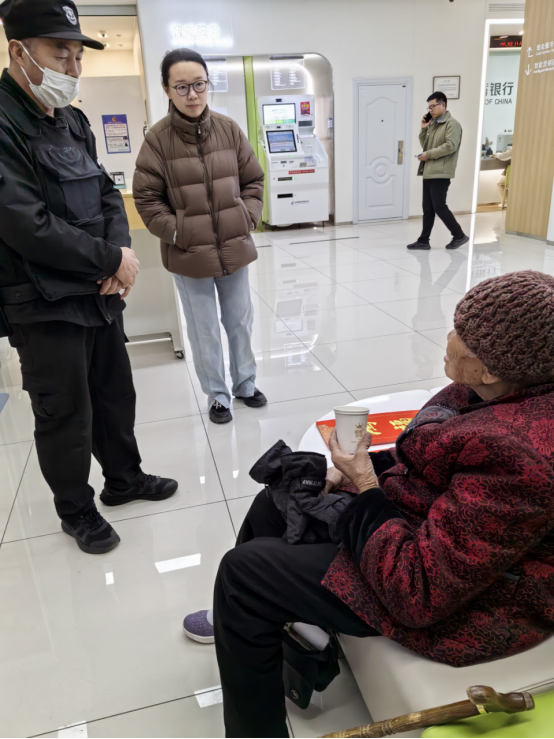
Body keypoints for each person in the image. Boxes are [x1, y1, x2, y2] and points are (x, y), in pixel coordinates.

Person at [206, 270, 554, 737]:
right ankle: (265, 628)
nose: (449, 337)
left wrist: (367, 485)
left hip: (473, 602)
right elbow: (439, 461)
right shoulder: (491, 388)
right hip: (426, 529)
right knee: (280, 497)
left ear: (492, 367)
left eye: (462, 334)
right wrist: (354, 472)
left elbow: (420, 593)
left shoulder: (523, 457)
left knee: (243, 575)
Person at [0, 0, 178, 555]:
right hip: (43, 301)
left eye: (78, 56)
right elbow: (25, 222)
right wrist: (108, 260)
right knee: (65, 412)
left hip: (98, 292)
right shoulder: (3, 123)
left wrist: (119, 253)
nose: (72, 68)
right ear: (19, 51)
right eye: (61, 54)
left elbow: (105, 191)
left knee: (113, 393)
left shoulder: (71, 119)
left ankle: (124, 479)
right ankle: (76, 511)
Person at [133, 48, 266, 426]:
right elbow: (147, 198)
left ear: (208, 84)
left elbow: (253, 180)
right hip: (189, 254)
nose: (192, 94)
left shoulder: (228, 129)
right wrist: (179, 231)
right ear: (166, 89)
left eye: (199, 84)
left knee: (239, 321)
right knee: (204, 329)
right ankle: (218, 396)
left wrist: (246, 217)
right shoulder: (157, 140)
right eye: (181, 87)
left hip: (233, 248)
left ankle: (245, 384)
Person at [408, 91, 469, 251]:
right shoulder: (434, 124)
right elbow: (426, 145)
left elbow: (450, 146)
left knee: (439, 206)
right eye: (429, 107)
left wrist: (428, 155)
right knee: (427, 209)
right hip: (429, 170)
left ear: (443, 104)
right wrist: (423, 129)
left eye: (433, 106)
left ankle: (459, 235)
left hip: (441, 172)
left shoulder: (452, 124)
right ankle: (423, 240)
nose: (430, 110)